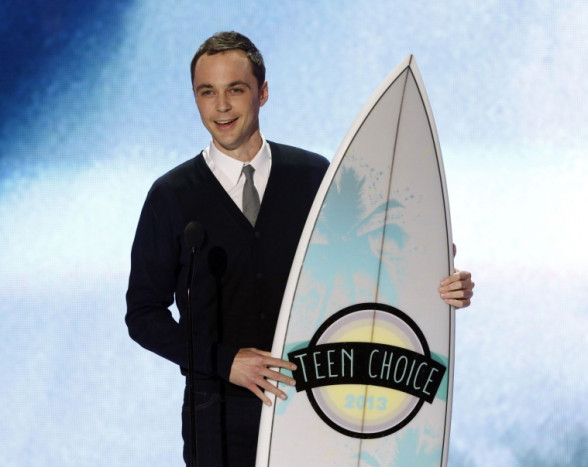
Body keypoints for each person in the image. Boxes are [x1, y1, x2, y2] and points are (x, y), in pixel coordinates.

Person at [125, 31, 474, 466]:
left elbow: (376, 265)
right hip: (217, 414)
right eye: (206, 92)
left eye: (236, 89)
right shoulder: (171, 195)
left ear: (263, 92)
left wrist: (434, 281)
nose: (221, 107)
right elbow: (143, 314)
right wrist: (226, 361)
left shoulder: (314, 177)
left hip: (314, 403)